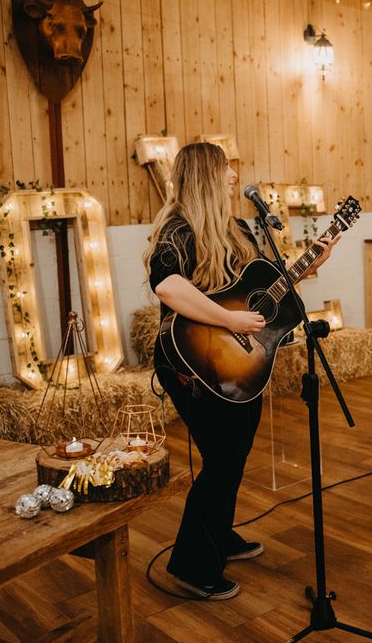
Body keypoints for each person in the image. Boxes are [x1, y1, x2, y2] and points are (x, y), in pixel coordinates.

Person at [143, 142, 338, 599]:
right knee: (223, 458)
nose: (234, 177)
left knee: (231, 454)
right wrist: (229, 320)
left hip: (236, 356)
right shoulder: (176, 231)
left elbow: (259, 287)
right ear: (206, 177)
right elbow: (168, 287)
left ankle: (218, 535)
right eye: (226, 170)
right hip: (190, 361)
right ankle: (192, 565)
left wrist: (308, 266)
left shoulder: (240, 228)